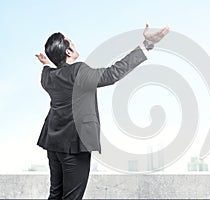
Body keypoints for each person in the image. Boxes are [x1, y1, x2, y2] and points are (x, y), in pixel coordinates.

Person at [35, 24, 169, 200]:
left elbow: (48, 69)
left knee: (55, 195)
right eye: (71, 44)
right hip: (74, 146)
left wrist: (47, 62)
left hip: (53, 144)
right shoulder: (78, 72)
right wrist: (146, 45)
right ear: (68, 52)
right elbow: (113, 74)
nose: (74, 45)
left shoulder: (47, 77)